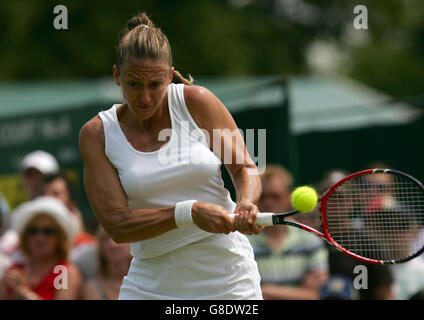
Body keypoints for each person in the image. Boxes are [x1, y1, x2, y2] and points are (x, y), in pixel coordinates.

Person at [79, 12, 263, 300]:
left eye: (155, 84)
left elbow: (244, 168)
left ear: (169, 75)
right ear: (117, 76)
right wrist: (188, 212)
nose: (145, 98)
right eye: (134, 84)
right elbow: (117, 225)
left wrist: (246, 202)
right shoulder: (96, 134)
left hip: (228, 280)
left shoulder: (198, 101)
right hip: (150, 284)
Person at [248, 164, 329, 300]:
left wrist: (266, 290)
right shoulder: (242, 242)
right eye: (262, 197)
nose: (268, 202)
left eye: (275, 196)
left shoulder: (311, 241)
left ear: (288, 196)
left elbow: (314, 295)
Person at [318, 168, 395, 300]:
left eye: (339, 197)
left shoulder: (369, 242)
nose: (332, 203)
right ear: (319, 201)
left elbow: (384, 293)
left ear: (352, 202)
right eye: (327, 197)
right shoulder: (307, 241)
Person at [0, 196, 82, 300]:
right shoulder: (13, 271)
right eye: (33, 231)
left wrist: (25, 293)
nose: (40, 238)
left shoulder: (64, 273)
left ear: (60, 238)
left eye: (48, 231)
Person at [81, 225, 131, 300]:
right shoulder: (93, 288)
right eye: (106, 239)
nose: (112, 244)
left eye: (119, 238)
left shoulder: (145, 281)